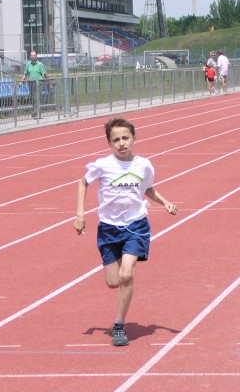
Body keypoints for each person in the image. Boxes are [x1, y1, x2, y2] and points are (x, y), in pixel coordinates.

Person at [73, 117, 177, 346]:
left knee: (126, 274)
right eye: (116, 140)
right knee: (113, 281)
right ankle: (123, 289)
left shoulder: (144, 165)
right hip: (108, 228)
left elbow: (148, 189)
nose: (121, 143)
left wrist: (165, 202)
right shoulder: (103, 165)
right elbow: (83, 183)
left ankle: (119, 324)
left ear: (134, 138)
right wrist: (80, 215)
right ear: (109, 143)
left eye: (125, 138)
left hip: (136, 225)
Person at [22, 50, 48, 118]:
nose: (33, 57)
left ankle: (37, 113)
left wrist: (49, 82)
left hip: (38, 83)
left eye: (34, 55)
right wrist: (21, 81)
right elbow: (25, 74)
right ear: (30, 56)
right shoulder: (28, 64)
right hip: (31, 83)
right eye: (32, 55)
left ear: (36, 56)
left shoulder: (40, 64)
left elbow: (45, 74)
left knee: (37, 98)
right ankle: (35, 112)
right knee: (32, 99)